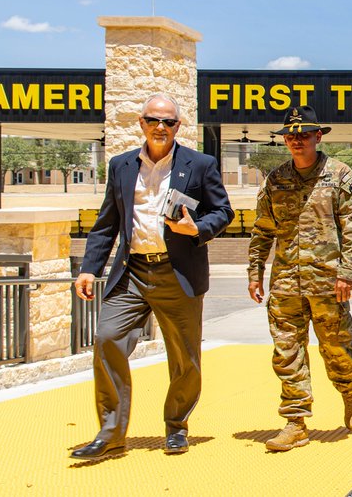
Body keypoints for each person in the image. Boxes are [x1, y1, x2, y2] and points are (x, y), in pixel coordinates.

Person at [71, 94, 234, 461]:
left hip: (178, 273)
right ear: (141, 123)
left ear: (179, 126)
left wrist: (197, 228)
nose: (161, 127)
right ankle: (111, 433)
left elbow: (223, 211)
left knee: (185, 358)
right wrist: (89, 268)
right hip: (132, 273)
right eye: (153, 120)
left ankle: (176, 427)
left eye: (169, 122)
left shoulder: (200, 164)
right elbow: (107, 223)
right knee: (107, 339)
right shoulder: (121, 165)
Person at [248, 106, 352, 452]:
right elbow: (262, 230)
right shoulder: (276, 180)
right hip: (286, 282)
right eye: (291, 135)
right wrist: (255, 272)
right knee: (286, 352)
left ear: (318, 136)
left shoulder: (340, 175)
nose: (296, 140)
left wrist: (348, 272)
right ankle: (295, 421)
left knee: (336, 348)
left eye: (304, 134)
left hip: (329, 283)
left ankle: (350, 393)